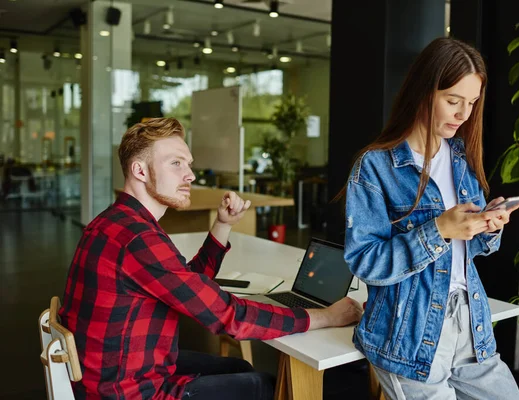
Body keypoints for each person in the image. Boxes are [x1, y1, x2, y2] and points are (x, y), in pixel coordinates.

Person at [59, 117, 362, 400]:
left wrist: (224, 224)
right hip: (129, 389)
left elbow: (189, 285)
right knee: (264, 387)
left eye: (188, 164)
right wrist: (326, 317)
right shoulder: (138, 239)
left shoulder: (112, 222)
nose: (190, 174)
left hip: (111, 371)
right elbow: (228, 316)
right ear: (140, 171)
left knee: (241, 370)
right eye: (175, 163)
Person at [342, 38, 519, 399]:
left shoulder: (459, 158)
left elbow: (471, 251)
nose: (463, 114)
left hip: (470, 321)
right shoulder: (376, 167)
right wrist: (439, 229)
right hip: (408, 332)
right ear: (425, 91)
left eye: (471, 103)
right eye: (453, 101)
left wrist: (488, 226)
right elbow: (365, 261)